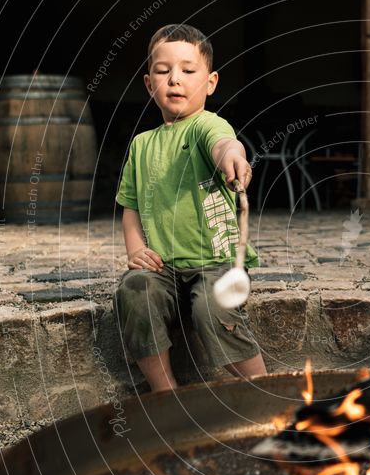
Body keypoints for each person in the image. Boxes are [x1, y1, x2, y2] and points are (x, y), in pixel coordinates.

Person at [114, 24, 267, 392]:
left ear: (211, 82)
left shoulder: (206, 125)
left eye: (188, 70)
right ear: (150, 84)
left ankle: (265, 388)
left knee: (210, 309)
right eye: (164, 72)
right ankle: (165, 392)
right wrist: (136, 250)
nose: (175, 80)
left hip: (216, 260)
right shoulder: (141, 144)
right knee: (134, 291)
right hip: (163, 266)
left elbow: (224, 145)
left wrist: (234, 156)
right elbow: (130, 205)